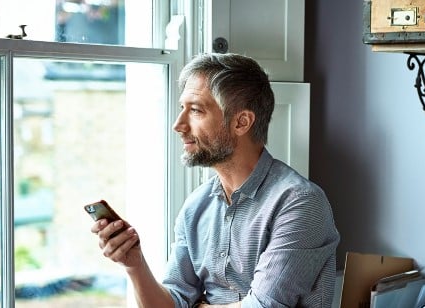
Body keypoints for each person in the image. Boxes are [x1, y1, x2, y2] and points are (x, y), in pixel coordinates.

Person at [91, 53, 340, 308]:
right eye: (182, 108)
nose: (178, 124)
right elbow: (171, 302)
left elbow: (263, 307)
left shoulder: (300, 202)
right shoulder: (196, 207)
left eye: (196, 110)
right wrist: (134, 264)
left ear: (241, 122)